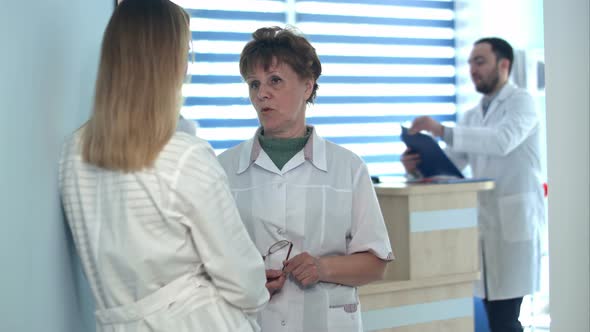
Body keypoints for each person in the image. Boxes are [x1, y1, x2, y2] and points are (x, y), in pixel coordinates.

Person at [58, 1, 268, 331]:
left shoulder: (72, 155)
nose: (188, 64)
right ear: (169, 63)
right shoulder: (185, 157)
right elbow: (244, 282)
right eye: (185, 53)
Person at [217, 26, 394, 332]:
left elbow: (376, 264)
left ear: (308, 86)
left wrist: (323, 267)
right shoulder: (223, 168)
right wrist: (246, 280)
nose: (262, 94)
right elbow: (207, 262)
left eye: (275, 80)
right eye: (253, 84)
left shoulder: (348, 167)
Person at [402, 37, 545, 332]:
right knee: (492, 319)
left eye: (480, 61)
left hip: (513, 226)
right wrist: (417, 167)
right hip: (482, 231)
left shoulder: (522, 103)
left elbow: (502, 141)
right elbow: (452, 169)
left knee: (505, 319)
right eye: (470, 63)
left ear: (503, 65)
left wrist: (442, 130)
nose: (472, 69)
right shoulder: (471, 114)